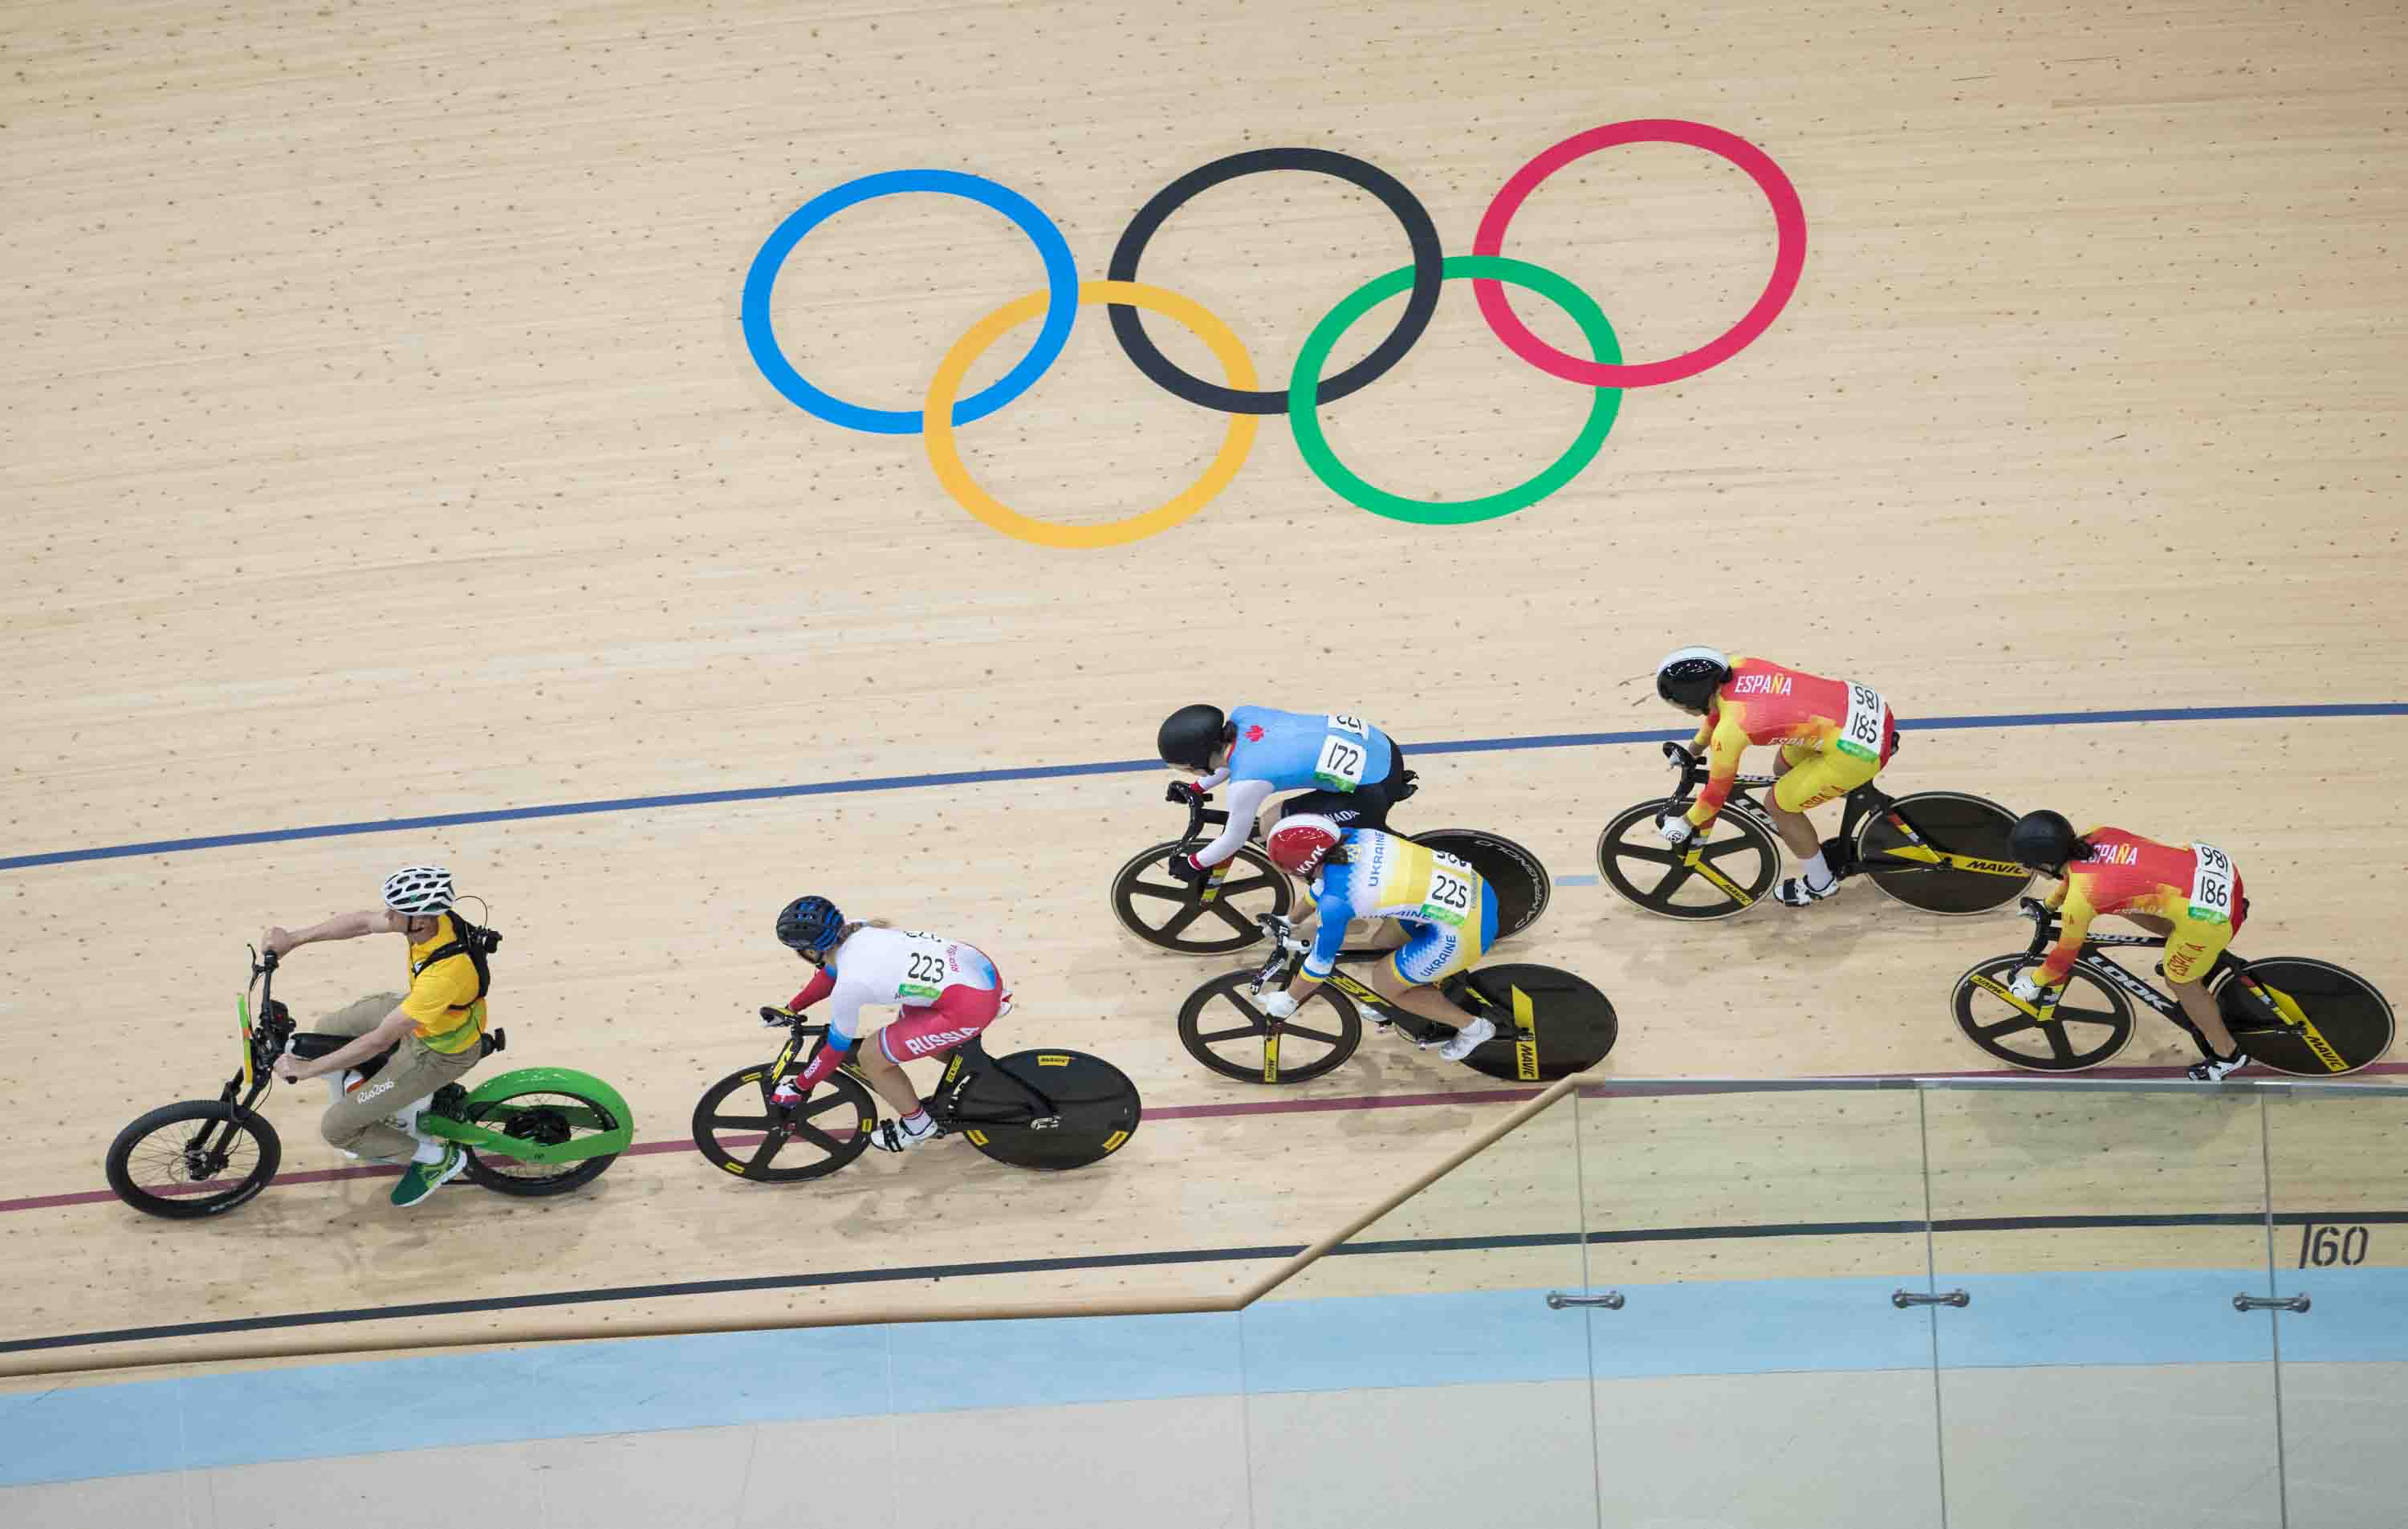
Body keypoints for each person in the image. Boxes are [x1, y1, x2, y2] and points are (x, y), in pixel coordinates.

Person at [262, 865, 495, 1207]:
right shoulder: (433, 924)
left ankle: (435, 1159)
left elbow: (378, 1042)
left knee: (336, 1129)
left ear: (421, 919)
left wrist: (307, 1071)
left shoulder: (445, 973)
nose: (387, 916)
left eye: (396, 912)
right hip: (427, 1015)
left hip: (436, 1051)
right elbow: (362, 922)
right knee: (326, 1030)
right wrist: (293, 940)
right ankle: (368, 1107)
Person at [2006, 811, 2251, 1081]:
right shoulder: (2098, 834)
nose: (2027, 871)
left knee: (2180, 982)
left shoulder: (2083, 899)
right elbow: (2073, 876)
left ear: (2044, 864)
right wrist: (2048, 905)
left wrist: (2035, 981)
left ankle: (2229, 1055)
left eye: (2029, 866)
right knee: (2127, 900)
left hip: (2212, 918)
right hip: (2215, 872)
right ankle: (2191, 952)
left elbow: (2065, 956)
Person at [1653, 647, 1898, 907]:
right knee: (1782, 769)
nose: (1680, 708)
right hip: (1861, 706)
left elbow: (1716, 794)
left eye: (1679, 703)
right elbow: (1715, 709)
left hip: (1856, 751)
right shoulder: (1739, 665)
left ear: (1693, 697)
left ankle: (1820, 883)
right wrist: (1694, 749)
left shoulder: (1731, 730)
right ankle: (1837, 787)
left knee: (1778, 806)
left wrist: (1685, 822)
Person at [767, 896, 1011, 1151]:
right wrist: (791, 1007)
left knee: (872, 1056)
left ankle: (918, 1125)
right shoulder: (858, 930)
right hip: (976, 971)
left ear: (809, 951)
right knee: (910, 1028)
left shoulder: (851, 985)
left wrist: (798, 1085)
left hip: (970, 1002)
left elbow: (835, 1050)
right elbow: (831, 972)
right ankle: (980, 1080)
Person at [1251, 814, 1500, 1064]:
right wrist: (1290, 920)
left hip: (1464, 932)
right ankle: (1414, 997)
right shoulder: (1355, 835)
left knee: (1385, 982)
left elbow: (1320, 965)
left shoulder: (1337, 902)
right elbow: (1322, 884)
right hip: (1476, 889)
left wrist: (1288, 999)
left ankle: (1474, 1028)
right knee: (1384, 942)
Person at [1154, 704, 1414, 886]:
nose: (1188, 773)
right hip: (1380, 746)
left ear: (1195, 760)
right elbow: (1229, 761)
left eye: (1186, 770)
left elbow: (1233, 839)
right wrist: (1200, 787)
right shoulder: (1243, 716)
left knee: (1273, 828)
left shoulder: (1246, 784)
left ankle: (1342, 888)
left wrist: (1194, 863)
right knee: (1279, 821)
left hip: (1373, 788)